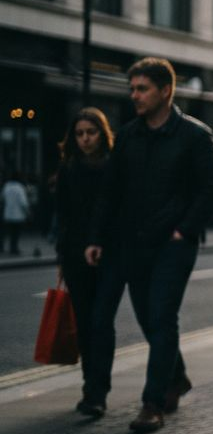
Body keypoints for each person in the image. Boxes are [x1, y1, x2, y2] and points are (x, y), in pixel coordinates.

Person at [86, 57, 213, 433]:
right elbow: (109, 193)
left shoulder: (195, 135)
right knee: (150, 320)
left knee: (162, 315)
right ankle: (176, 378)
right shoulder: (129, 135)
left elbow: (211, 189)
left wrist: (185, 229)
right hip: (133, 243)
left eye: (142, 88)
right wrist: (97, 237)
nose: (135, 95)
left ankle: (152, 403)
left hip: (173, 244)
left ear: (166, 90)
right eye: (132, 89)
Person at [55, 108, 116, 417]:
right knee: (84, 325)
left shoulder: (114, 167)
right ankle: (90, 388)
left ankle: (98, 391)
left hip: (110, 255)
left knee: (101, 322)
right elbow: (62, 216)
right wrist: (61, 258)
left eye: (90, 132)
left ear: (102, 134)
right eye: (79, 133)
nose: (85, 139)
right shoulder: (69, 169)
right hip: (76, 255)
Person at [3, 172, 29, 255]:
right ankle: (14, 248)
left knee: (10, 232)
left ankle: (9, 247)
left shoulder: (6, 186)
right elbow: (23, 202)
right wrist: (28, 212)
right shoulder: (19, 188)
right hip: (18, 215)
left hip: (8, 213)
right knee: (16, 233)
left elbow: (2, 198)